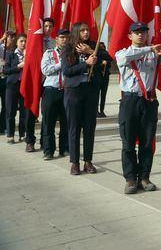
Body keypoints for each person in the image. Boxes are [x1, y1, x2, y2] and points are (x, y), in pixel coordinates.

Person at [116, 21, 161, 194]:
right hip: (130, 102)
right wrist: (149, 49)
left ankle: (144, 177)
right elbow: (126, 58)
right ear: (130, 36)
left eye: (144, 32)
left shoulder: (155, 54)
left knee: (147, 142)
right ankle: (130, 179)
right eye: (137, 32)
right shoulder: (123, 53)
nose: (140, 35)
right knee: (128, 142)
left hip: (148, 101)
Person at [62, 22, 106, 175]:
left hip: (91, 91)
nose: (86, 33)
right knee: (74, 128)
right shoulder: (68, 48)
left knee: (89, 128)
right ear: (76, 32)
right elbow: (67, 71)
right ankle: (74, 162)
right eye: (82, 31)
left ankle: (88, 161)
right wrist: (86, 64)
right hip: (74, 92)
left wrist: (90, 51)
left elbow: (108, 59)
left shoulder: (94, 45)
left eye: (87, 30)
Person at [39, 28, 69, 160]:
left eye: (67, 37)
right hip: (51, 90)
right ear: (56, 39)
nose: (64, 40)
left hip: (67, 91)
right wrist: (60, 64)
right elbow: (45, 70)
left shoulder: (71, 54)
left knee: (66, 122)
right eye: (62, 37)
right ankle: (48, 151)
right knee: (48, 122)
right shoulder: (49, 53)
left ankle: (65, 148)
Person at [4, 34, 33, 149]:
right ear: (16, 43)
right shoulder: (11, 54)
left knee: (24, 111)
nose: (23, 43)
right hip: (12, 85)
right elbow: (5, 71)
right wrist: (18, 66)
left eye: (25, 41)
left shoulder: (29, 54)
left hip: (25, 85)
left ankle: (23, 133)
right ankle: (10, 135)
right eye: (21, 41)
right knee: (10, 110)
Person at [96, 41, 113, 117]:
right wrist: (101, 63)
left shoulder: (106, 54)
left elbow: (110, 61)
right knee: (96, 95)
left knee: (103, 94)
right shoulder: (96, 54)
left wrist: (106, 62)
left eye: (103, 46)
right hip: (98, 76)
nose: (102, 48)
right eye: (100, 47)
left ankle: (102, 110)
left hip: (105, 76)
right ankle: (96, 111)